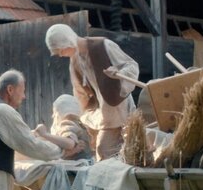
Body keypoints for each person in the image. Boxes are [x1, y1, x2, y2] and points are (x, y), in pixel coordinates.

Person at [45, 24, 139, 161]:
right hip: (103, 113)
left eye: (60, 50)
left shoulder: (103, 46)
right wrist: (80, 116)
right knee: (107, 151)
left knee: (108, 150)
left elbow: (132, 65)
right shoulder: (75, 60)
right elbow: (79, 93)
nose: (60, 55)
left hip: (119, 106)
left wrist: (120, 73)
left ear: (67, 43)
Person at [33, 94, 93, 161]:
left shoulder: (66, 123)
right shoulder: (79, 124)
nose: (52, 116)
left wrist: (45, 134)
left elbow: (69, 144)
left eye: (54, 113)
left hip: (77, 165)